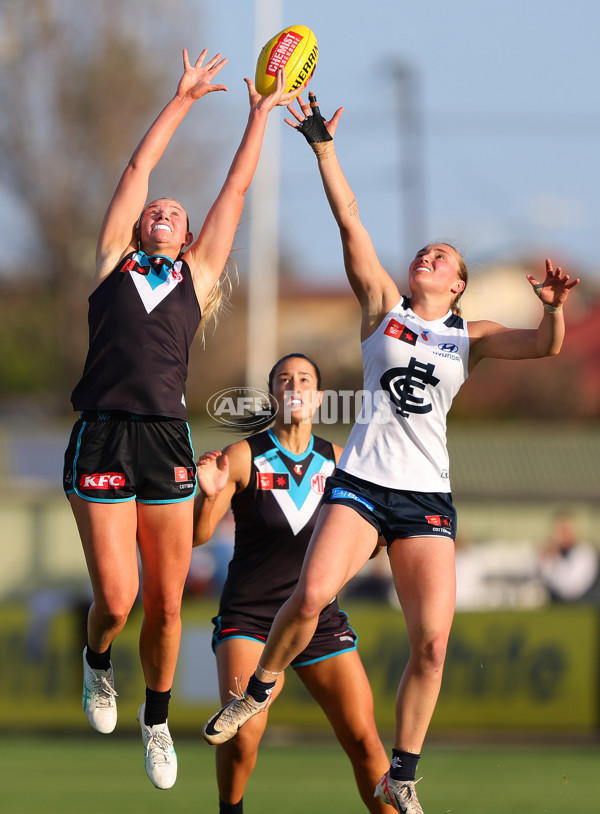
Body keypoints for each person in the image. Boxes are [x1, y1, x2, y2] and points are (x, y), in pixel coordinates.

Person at [201, 90, 580, 814]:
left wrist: (556, 310)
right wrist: (323, 148)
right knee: (310, 596)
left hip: (427, 498)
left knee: (432, 643)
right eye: (424, 251)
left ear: (458, 284)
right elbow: (351, 221)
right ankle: (255, 693)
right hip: (364, 484)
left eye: (441, 256)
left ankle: (402, 772)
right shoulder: (383, 307)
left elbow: (543, 346)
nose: (426, 256)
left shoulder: (471, 336)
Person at [62, 48, 299, 790]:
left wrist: (259, 113)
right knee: (119, 599)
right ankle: (98, 662)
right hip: (102, 431)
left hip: (164, 438)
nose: (162, 209)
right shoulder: (112, 264)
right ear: (140, 228)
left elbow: (235, 187)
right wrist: (185, 98)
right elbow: (136, 171)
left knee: (167, 604)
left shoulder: (195, 278)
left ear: (189, 236)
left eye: (175, 211)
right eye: (154, 210)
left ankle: (155, 718)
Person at [195, 353, 395, 814]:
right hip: (252, 618)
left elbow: (370, 541)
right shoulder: (243, 455)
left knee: (365, 741)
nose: (295, 385)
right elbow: (198, 536)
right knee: (244, 735)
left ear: (320, 397)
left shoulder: (342, 462)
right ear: (273, 397)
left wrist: (384, 535)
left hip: (318, 619)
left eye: (304, 378)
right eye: (284, 379)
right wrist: (207, 496)